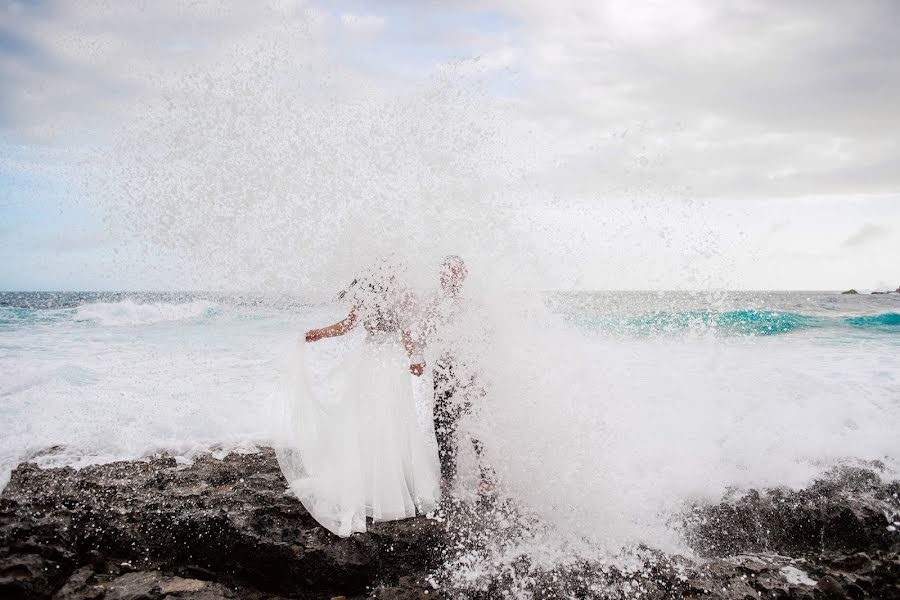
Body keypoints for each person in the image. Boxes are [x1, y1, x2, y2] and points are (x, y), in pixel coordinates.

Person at [273, 259, 440, 537]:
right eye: (391, 272)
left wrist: (415, 356)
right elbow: (348, 325)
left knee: (395, 416)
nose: (395, 276)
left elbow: (407, 332)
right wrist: (319, 334)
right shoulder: (368, 297)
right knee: (370, 418)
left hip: (391, 363)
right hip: (373, 362)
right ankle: (373, 486)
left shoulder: (404, 298)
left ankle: (400, 485)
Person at [419, 255, 492, 493]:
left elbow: (484, 341)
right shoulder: (433, 303)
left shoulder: (471, 304)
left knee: (474, 425)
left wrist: (482, 376)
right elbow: (423, 333)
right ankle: (448, 477)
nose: (447, 276)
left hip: (467, 370)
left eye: (453, 272)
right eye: (444, 272)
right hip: (442, 369)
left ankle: (487, 478)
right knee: (442, 423)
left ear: (462, 276)